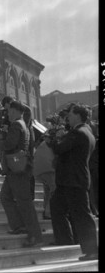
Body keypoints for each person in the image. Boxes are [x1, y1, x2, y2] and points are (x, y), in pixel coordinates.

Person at [48, 103, 98, 261]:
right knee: (56, 206)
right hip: (71, 180)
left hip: (73, 181)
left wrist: (52, 139)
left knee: (83, 216)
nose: (67, 116)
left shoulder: (77, 133)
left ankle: (92, 251)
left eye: (69, 113)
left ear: (77, 115)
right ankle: (65, 240)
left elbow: (59, 149)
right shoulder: (87, 131)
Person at [0, 100, 43, 247]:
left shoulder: (16, 125)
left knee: (24, 203)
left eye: (8, 111)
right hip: (17, 168)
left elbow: (9, 145)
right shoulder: (24, 125)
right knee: (5, 196)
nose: (7, 114)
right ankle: (18, 225)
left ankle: (35, 236)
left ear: (14, 111)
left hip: (17, 169)